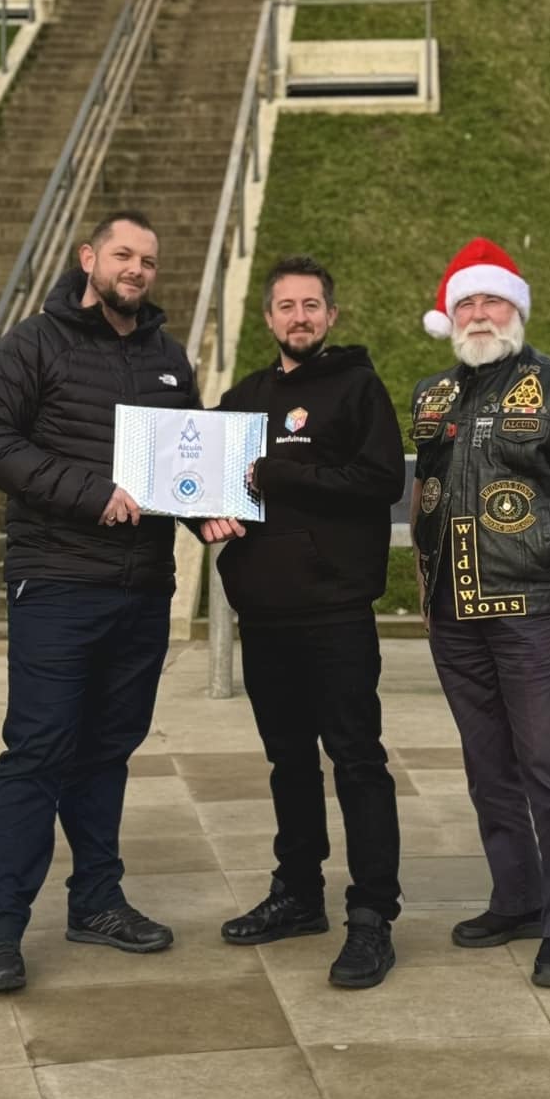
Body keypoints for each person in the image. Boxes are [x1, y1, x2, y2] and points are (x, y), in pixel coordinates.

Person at [0, 212, 198, 993]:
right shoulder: (35, 343)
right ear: (88, 256)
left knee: (108, 751)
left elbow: (179, 465)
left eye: (149, 261)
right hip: (58, 583)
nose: (136, 269)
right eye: (123, 255)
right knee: (37, 753)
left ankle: (96, 900)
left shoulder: (167, 357)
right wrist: (90, 494)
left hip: (140, 590)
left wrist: (210, 508)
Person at [408, 237, 550, 990]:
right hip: (454, 614)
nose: (479, 314)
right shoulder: (432, 396)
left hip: (535, 611)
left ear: (517, 309)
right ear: (450, 316)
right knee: (489, 769)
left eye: (492, 300)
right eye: (465, 303)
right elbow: (425, 497)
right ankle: (517, 897)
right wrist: (427, 590)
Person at [198, 256, 406, 988]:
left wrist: (286, 474)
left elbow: (382, 480)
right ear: (268, 319)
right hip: (266, 613)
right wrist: (202, 515)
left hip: (336, 610)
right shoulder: (243, 398)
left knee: (357, 761)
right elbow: (199, 481)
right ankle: (298, 894)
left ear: (331, 316)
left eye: (312, 305)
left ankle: (373, 914)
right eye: (286, 306)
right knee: (288, 762)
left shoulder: (356, 387)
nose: (299, 317)